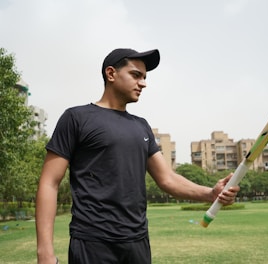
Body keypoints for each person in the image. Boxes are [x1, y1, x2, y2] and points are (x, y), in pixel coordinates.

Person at [35, 48, 240, 264]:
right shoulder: (76, 118)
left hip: (137, 243)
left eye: (144, 77)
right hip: (93, 242)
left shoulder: (141, 127)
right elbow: (50, 183)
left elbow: (167, 179)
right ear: (111, 74)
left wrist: (212, 193)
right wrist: (45, 254)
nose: (143, 83)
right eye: (136, 75)